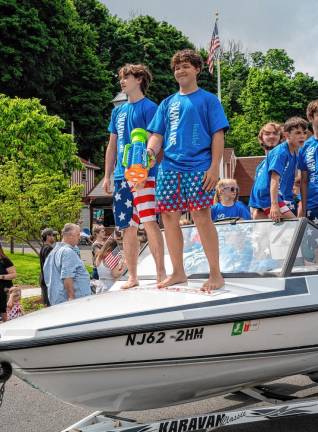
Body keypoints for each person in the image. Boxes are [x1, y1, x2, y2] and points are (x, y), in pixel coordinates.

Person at [147, 49, 229, 292]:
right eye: (176, 67)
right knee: (169, 217)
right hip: (169, 167)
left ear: (197, 70)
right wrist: (150, 153)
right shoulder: (167, 103)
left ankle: (216, 274)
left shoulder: (209, 100)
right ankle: (178, 272)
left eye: (185, 66)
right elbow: (156, 135)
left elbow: (218, 134)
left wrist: (215, 167)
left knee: (201, 215)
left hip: (199, 166)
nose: (180, 70)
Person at [103, 63, 166, 288]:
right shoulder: (117, 111)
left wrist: (145, 170)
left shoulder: (151, 108)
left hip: (144, 175)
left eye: (126, 77)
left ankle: (161, 274)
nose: (122, 81)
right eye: (121, 77)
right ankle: (132, 276)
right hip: (121, 177)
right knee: (127, 227)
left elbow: (156, 141)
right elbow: (112, 145)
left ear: (139, 79)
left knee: (149, 222)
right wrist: (107, 175)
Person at [249, 117, 307, 222]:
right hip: (266, 195)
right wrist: (274, 205)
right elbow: (274, 180)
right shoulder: (280, 153)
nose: (302, 136)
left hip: (277, 197)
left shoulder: (294, 154)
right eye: (298, 133)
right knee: (295, 224)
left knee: (289, 226)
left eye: (304, 133)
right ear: (286, 135)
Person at [43, 223, 91, 305]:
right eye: (78, 235)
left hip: (58, 300)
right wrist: (71, 298)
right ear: (70, 235)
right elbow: (67, 277)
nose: (79, 237)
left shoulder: (54, 251)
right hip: (73, 303)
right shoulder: (67, 252)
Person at [250, 122, 283, 219]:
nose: (272, 136)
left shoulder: (285, 155)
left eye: (275, 133)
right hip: (265, 209)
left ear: (280, 137)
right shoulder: (260, 166)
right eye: (267, 134)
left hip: (284, 205)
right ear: (261, 138)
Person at [299, 100, 318, 223]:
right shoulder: (305, 147)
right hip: (313, 205)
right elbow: (304, 181)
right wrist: (303, 207)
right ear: (311, 117)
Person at [39, 228, 57, 307]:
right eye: (52, 235)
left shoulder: (44, 247)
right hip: (48, 281)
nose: (54, 237)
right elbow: (49, 266)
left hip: (44, 280)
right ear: (47, 236)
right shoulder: (48, 249)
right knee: (50, 307)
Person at [0, 243, 17, 322]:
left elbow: (14, 274)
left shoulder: (4, 260)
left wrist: (1, 277)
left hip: (5, 291)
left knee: (5, 311)